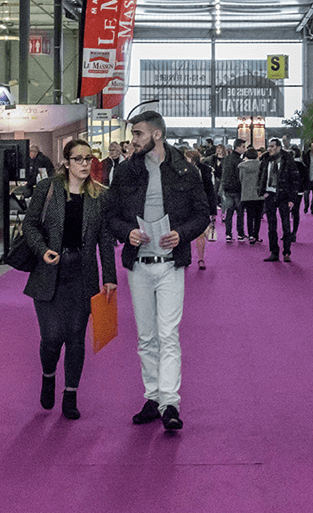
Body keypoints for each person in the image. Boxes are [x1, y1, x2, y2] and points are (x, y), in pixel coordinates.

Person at [105, 110, 210, 430]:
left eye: (138, 134)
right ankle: (152, 396)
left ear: (157, 135)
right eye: (132, 134)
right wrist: (127, 233)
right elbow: (111, 216)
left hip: (170, 266)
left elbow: (203, 213)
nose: (132, 139)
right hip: (138, 265)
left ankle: (170, 403)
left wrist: (183, 233)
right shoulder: (124, 172)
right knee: (147, 337)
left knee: (168, 334)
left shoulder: (185, 170)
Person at [22, 139, 117, 420]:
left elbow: (105, 240)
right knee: (52, 337)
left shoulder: (100, 195)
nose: (85, 164)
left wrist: (109, 277)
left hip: (83, 273)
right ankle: (48, 375)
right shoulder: (48, 188)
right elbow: (29, 224)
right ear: (66, 161)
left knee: (76, 338)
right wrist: (43, 250)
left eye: (89, 158)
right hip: (50, 270)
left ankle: (71, 395)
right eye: (79, 159)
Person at [258, 138, 300, 262]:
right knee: (271, 225)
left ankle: (286, 252)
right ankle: (274, 252)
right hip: (270, 194)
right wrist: (262, 191)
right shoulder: (265, 159)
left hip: (284, 196)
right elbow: (261, 175)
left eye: (272, 146)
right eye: (269, 146)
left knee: (286, 225)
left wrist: (292, 199)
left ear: (279, 147)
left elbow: (295, 179)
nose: (269, 148)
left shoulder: (288, 159)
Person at [185, 150, 218, 270]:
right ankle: (186, 258)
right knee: (186, 233)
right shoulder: (181, 170)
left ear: (193, 159)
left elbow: (210, 191)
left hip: (202, 205)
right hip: (186, 205)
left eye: (186, 158)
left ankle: (200, 259)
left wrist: (212, 210)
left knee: (201, 233)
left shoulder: (206, 170)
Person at [220, 138, 248, 242]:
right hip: (237, 189)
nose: (244, 149)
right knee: (240, 212)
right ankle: (240, 234)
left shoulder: (227, 159)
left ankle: (228, 234)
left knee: (229, 212)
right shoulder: (240, 161)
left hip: (227, 188)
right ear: (238, 147)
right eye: (243, 147)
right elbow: (240, 177)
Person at [239, 147, 265, 244]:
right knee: (258, 217)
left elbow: (240, 179)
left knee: (249, 216)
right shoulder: (261, 165)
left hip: (246, 194)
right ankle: (256, 235)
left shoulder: (242, 166)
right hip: (259, 194)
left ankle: (250, 235)